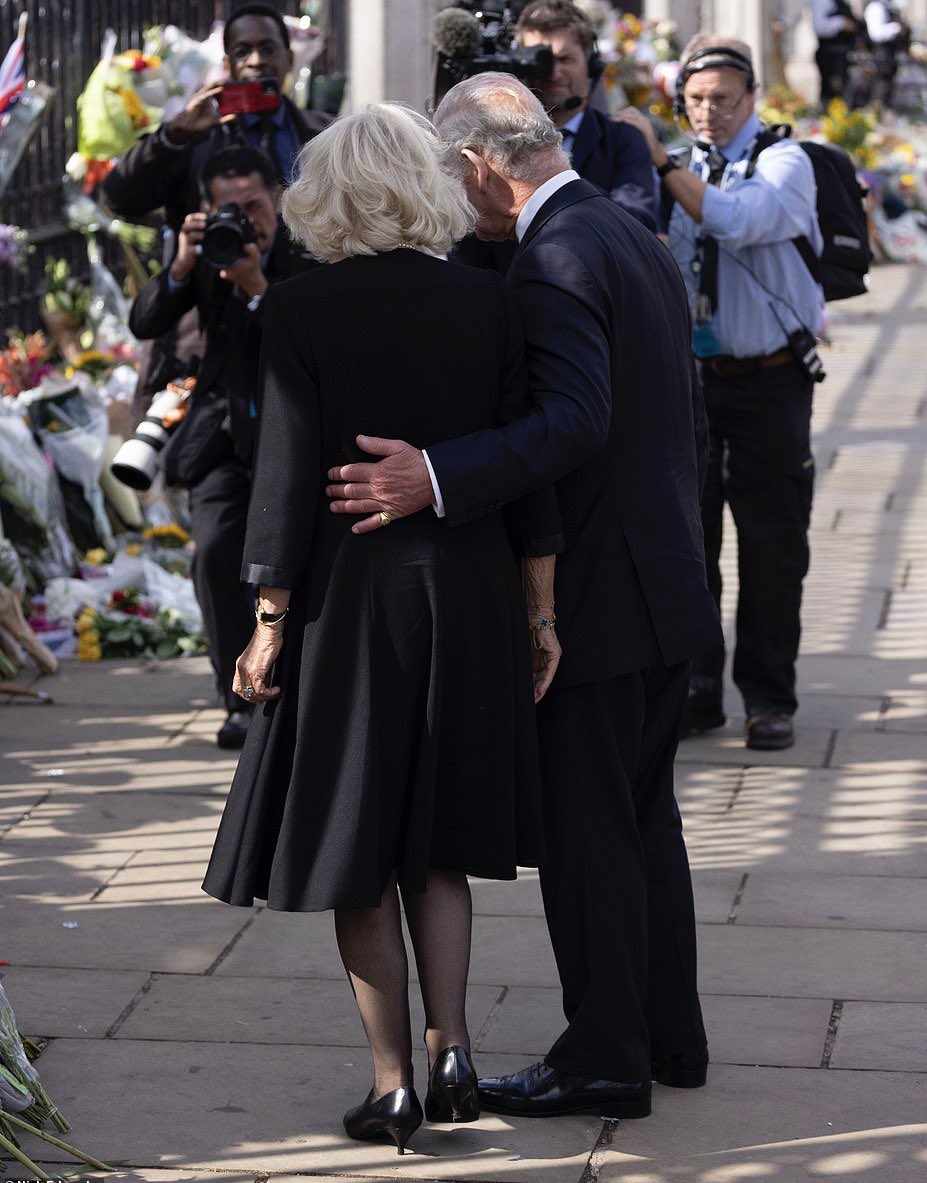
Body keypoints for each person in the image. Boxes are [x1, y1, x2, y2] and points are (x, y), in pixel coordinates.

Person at [326, 74, 720, 1118]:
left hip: (601, 588)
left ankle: (602, 1057)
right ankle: (665, 1033)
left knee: (592, 833)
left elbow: (574, 421)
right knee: (643, 823)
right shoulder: (621, 227)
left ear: (475, 165)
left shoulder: (554, 257)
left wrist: (434, 474)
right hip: (662, 575)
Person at [201, 103, 563, 1152]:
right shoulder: (487, 302)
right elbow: (525, 467)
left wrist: (267, 622)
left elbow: (282, 486)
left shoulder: (302, 311)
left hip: (350, 603)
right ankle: (457, 1049)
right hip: (473, 593)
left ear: (327, 194)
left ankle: (394, 1080)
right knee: (437, 839)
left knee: (359, 843)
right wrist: (542, 612)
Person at [616, 37, 825, 752]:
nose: (707, 113)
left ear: (751, 98)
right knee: (686, 539)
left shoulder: (784, 163)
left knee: (770, 543)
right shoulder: (672, 165)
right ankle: (696, 689)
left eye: (723, 100)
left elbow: (737, 219)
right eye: (695, 100)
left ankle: (769, 696)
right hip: (691, 382)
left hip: (769, 378)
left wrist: (663, 162)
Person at [129, 146, 318, 749]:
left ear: (278, 198)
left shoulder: (305, 248)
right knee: (213, 554)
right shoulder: (210, 248)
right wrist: (183, 266)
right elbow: (146, 322)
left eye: (255, 205)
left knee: (282, 562)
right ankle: (234, 697)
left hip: (288, 434)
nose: (244, 218)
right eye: (227, 208)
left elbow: (307, 343)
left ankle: (287, 680)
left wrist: (258, 284)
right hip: (220, 433)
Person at [103, 3, 330, 233]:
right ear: (226, 65)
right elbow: (120, 200)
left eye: (268, 49)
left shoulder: (326, 133)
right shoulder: (195, 138)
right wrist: (171, 137)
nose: (256, 60)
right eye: (242, 51)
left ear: (290, 59)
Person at [812, 0, 863, 107]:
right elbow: (819, 27)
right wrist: (841, 23)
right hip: (830, 55)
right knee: (832, 93)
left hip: (842, 55)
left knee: (843, 94)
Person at [865, 0, 911, 109]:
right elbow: (876, 34)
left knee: (887, 90)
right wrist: (897, 28)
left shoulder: (887, 6)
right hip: (881, 56)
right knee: (880, 90)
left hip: (889, 57)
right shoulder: (875, 7)